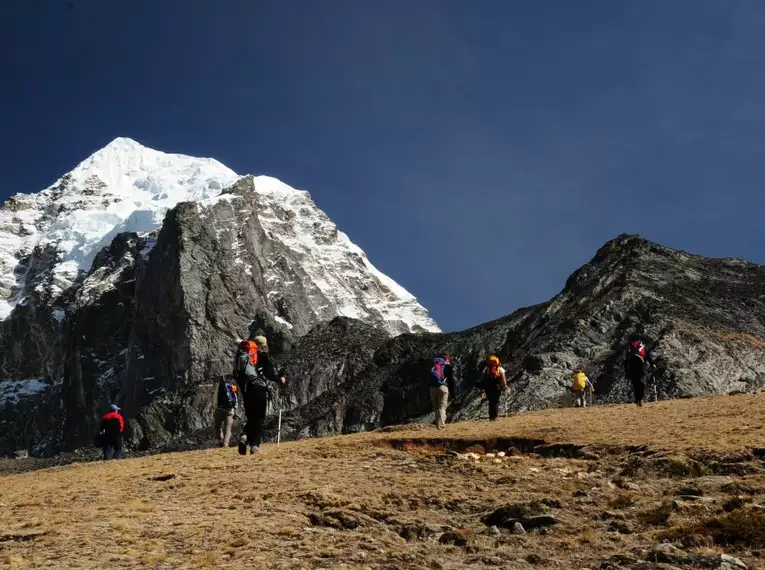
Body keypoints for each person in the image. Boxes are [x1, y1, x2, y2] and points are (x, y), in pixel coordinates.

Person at [234, 330, 287, 455]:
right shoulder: (262, 355)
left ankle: (244, 437)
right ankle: (255, 446)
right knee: (259, 418)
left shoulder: (245, 355)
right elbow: (269, 374)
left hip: (246, 389)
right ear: (264, 345)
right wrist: (280, 379)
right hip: (259, 389)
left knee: (252, 417)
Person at [624, 338, 655, 406]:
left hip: (631, 368)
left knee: (635, 385)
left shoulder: (630, 349)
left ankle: (637, 400)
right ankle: (639, 400)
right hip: (641, 368)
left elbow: (625, 361)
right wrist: (652, 365)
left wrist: (626, 371)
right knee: (641, 384)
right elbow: (649, 358)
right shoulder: (644, 348)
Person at [429, 353, 455, 429]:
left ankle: (438, 425)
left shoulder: (433, 366)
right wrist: (452, 393)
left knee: (436, 408)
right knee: (442, 407)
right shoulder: (447, 366)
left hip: (432, 388)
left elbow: (428, 381)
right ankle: (442, 424)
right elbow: (450, 381)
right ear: (446, 358)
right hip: (443, 387)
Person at [213, 375, 239, 447]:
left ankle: (220, 440)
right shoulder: (233, 384)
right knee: (227, 427)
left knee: (218, 426)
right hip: (230, 409)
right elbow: (235, 396)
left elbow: (216, 396)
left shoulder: (220, 384)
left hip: (219, 408)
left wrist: (215, 406)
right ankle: (225, 443)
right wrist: (235, 408)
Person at [480, 355, 507, 421]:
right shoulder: (500, 369)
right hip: (497, 387)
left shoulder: (486, 369)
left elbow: (483, 379)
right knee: (496, 401)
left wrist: (483, 387)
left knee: (490, 401)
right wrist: (504, 386)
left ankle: (491, 417)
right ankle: (495, 416)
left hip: (488, 388)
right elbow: (503, 379)